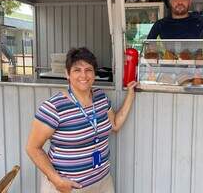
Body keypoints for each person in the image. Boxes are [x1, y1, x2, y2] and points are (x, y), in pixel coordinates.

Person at [26, 47, 137, 193]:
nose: (83, 75)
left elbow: (114, 125)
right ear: (67, 74)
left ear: (94, 73)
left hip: (102, 182)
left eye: (88, 70)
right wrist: (57, 181)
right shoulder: (54, 107)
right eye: (77, 70)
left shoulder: (100, 97)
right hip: (69, 187)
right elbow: (33, 148)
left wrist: (130, 95)